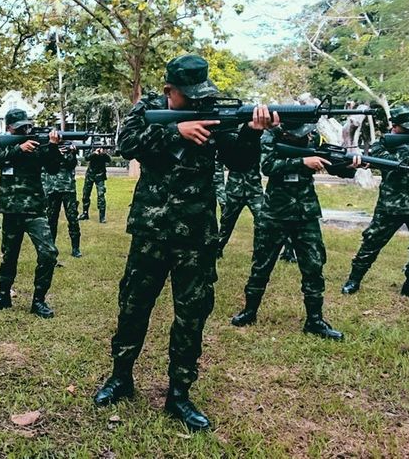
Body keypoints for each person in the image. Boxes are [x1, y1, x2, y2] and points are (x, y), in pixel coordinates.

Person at [92, 55, 277, 432]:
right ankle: (120, 378)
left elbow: (239, 161)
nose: (195, 103)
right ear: (168, 91)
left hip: (196, 234)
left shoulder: (213, 110)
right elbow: (125, 144)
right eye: (186, 96)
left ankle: (179, 394)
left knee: (191, 314)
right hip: (150, 230)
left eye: (199, 96)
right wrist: (175, 133)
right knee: (133, 306)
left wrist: (254, 132)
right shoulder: (148, 107)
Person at [230, 123, 360, 338]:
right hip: (275, 213)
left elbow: (332, 164)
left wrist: (351, 166)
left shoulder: (315, 137)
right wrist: (302, 162)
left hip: (305, 213)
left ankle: (315, 321)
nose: (306, 134)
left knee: (314, 266)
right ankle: (249, 311)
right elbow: (267, 166)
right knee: (261, 265)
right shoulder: (269, 136)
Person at [342, 106, 409, 302]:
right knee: (371, 243)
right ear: (395, 125)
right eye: (405, 127)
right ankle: (354, 280)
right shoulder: (381, 145)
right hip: (391, 205)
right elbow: (383, 162)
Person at [0, 109, 62, 318]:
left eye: (27, 126)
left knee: (48, 253)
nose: (25, 129)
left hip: (35, 210)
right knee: (8, 256)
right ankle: (3, 295)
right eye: (19, 127)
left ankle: (39, 301)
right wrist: (18, 149)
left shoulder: (37, 143)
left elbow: (53, 168)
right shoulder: (2, 142)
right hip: (11, 210)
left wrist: (52, 146)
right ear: (9, 127)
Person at [46, 140, 82, 258]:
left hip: (68, 189)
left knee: (73, 218)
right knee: (51, 220)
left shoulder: (69, 150)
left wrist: (73, 153)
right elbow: (48, 165)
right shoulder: (50, 148)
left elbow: (71, 164)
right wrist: (55, 152)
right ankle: (51, 248)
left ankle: (75, 248)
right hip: (52, 189)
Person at [79, 147, 112, 223]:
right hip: (90, 175)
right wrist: (94, 153)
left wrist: (104, 154)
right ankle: (85, 213)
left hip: (100, 176)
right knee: (86, 194)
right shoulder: (91, 150)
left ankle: (102, 217)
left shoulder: (104, 153)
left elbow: (109, 160)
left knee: (101, 196)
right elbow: (86, 158)